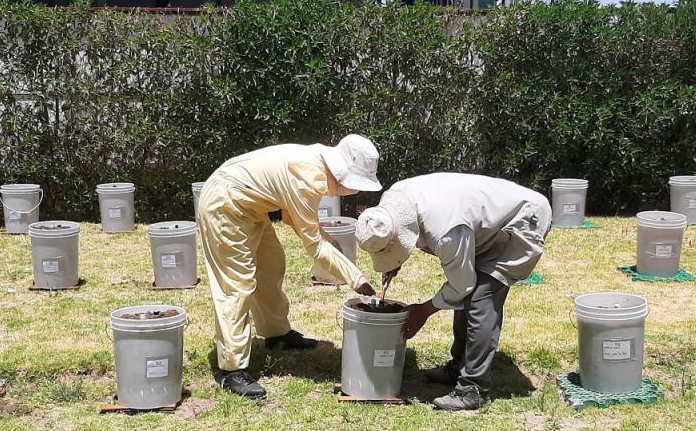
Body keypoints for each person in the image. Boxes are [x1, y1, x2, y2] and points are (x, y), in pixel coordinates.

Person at [198, 134, 380, 399]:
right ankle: (232, 369)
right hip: (225, 205)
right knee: (236, 284)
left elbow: (291, 215)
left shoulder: (316, 167)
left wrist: (329, 242)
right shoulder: (308, 178)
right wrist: (356, 278)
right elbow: (314, 246)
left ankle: (276, 334)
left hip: (250, 206)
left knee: (271, 265)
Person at [355, 173, 551, 411]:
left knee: (480, 299)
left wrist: (423, 311)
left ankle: (473, 388)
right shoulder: (392, 203)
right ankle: (460, 367)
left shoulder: (445, 231)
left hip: (522, 221)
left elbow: (462, 285)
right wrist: (394, 260)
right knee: (469, 294)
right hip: (482, 225)